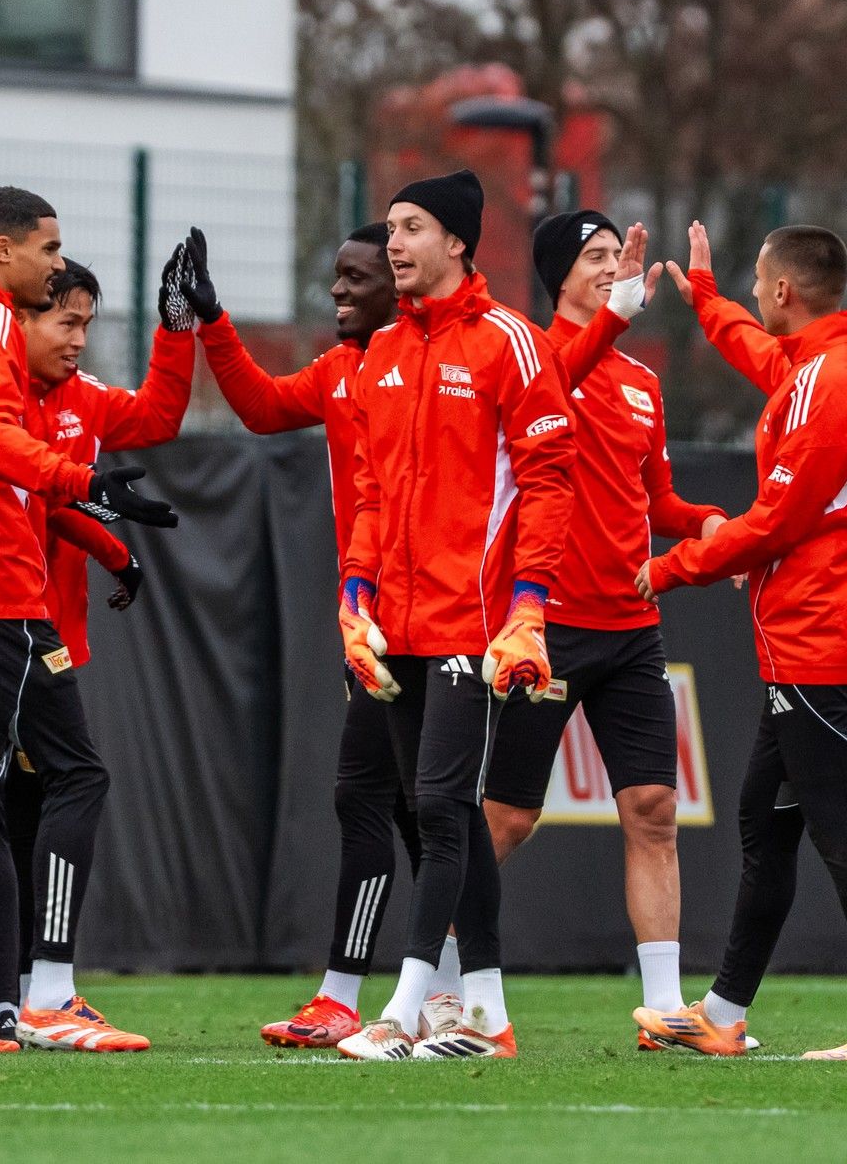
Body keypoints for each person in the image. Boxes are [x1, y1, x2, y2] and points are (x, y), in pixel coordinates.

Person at [633, 221, 847, 1061]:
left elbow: (774, 521)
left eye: (757, 279)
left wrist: (668, 569)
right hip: (805, 640)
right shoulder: (837, 361)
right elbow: (769, 365)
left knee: (841, 834)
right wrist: (707, 302)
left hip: (819, 643)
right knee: (764, 827)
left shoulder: (832, 384)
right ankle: (724, 1014)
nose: (755, 289)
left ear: (783, 292)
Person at [0, 186, 174, 1054]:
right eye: (50, 249)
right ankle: (50, 994)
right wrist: (83, 480)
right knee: (78, 773)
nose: (57, 267)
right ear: (3, 249)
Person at [331, 171, 578, 1061]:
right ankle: (486, 1016)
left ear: (459, 242)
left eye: (413, 227)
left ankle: (402, 1013)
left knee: (440, 807)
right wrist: (354, 597)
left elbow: (550, 485)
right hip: (394, 628)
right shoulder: (382, 353)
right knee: (445, 815)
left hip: (476, 625)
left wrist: (529, 609)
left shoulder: (509, 341)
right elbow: (367, 492)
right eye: (392, 228)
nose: (394, 244)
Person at [188, 223, 448, 1048]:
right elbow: (263, 406)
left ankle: (386, 992)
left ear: (400, 287)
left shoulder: (437, 365)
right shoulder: (342, 371)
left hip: (433, 615)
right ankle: (446, 990)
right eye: (334, 278)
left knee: (400, 801)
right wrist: (212, 320)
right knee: (409, 807)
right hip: (370, 615)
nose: (337, 292)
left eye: (354, 278)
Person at [479, 209, 727, 1049]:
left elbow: (655, 503)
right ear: (560, 274)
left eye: (616, 255)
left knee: (654, 806)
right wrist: (615, 311)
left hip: (632, 630)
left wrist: (709, 528)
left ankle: (667, 1008)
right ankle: (436, 981)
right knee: (506, 819)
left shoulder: (641, 382)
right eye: (595, 256)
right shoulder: (535, 360)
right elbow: (555, 387)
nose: (613, 266)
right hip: (545, 626)